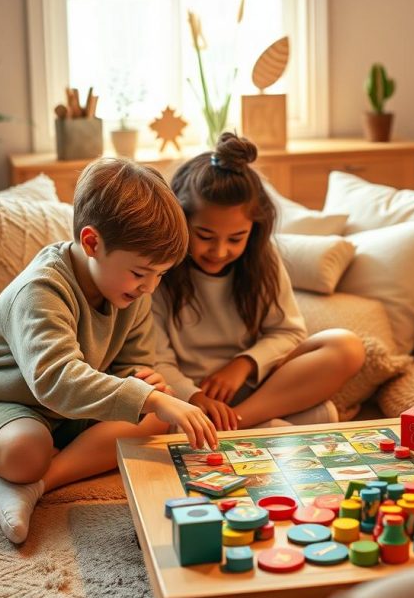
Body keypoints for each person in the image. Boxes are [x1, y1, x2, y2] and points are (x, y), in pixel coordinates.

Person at [0, 158, 220, 545]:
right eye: (140, 273)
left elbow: (132, 362)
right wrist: (146, 396)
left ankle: (34, 487)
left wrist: (143, 380)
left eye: (160, 275)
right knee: (27, 449)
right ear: (92, 243)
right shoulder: (41, 290)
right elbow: (56, 380)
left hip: (63, 412)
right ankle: (22, 472)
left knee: (153, 418)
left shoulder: (132, 290)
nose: (149, 287)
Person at [152, 133, 366, 430]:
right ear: (180, 220)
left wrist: (244, 364)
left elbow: (289, 333)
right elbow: (156, 360)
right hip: (188, 397)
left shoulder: (264, 261)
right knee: (143, 409)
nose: (220, 251)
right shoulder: (159, 273)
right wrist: (195, 395)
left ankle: (234, 424)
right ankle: (250, 423)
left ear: (254, 230)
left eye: (236, 238)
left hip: (256, 389)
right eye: (205, 236)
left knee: (347, 346)